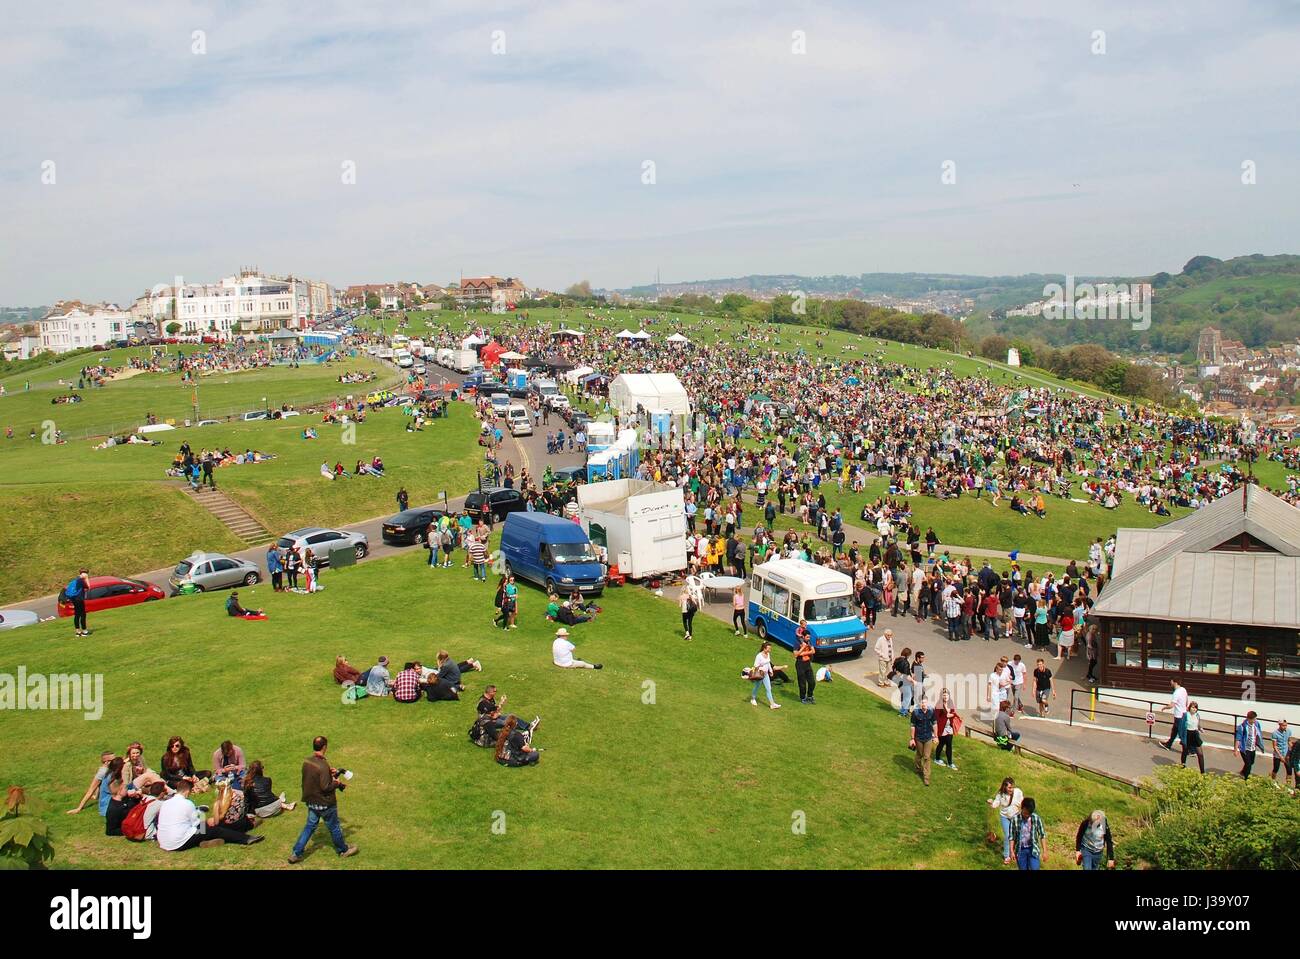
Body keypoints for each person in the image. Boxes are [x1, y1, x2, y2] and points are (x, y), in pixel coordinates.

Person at [288, 736, 358, 863]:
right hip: (325, 804)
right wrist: (336, 783)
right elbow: (326, 787)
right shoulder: (323, 765)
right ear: (324, 747)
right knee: (335, 827)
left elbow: (314, 778)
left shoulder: (307, 761)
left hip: (311, 802)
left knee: (309, 827)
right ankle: (343, 850)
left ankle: (295, 853)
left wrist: (328, 773)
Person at [156, 778, 264, 851]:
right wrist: (205, 818)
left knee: (210, 828)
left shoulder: (165, 803)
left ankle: (205, 841)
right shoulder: (187, 803)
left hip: (164, 842)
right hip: (178, 843)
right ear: (187, 792)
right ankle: (245, 838)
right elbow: (199, 825)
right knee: (214, 828)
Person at [67, 750, 116, 816]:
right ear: (107, 762)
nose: (116, 761)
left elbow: (100, 785)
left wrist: (96, 796)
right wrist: (79, 808)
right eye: (114, 760)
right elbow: (91, 789)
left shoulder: (111, 768)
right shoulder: (102, 773)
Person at [988, 777, 1023, 865]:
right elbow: (996, 803)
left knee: (1018, 835)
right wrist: (991, 803)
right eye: (1009, 788)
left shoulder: (1018, 792)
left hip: (1016, 817)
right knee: (1008, 836)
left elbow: (1022, 801)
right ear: (1004, 787)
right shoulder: (1000, 795)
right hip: (1005, 817)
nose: (1011, 789)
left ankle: (1017, 852)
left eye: (1012, 787)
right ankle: (1007, 855)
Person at [909, 694, 936, 785]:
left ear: (927, 702)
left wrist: (935, 736)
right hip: (918, 738)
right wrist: (912, 739)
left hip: (928, 737)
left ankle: (926, 777)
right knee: (919, 754)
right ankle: (918, 768)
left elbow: (935, 724)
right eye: (921, 702)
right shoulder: (915, 713)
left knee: (927, 757)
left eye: (924, 702)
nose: (923, 704)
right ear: (919, 703)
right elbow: (912, 726)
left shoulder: (932, 711)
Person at [1014, 797, 1047, 871]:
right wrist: (1011, 851)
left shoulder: (1036, 818)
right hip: (1020, 850)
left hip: (1033, 849)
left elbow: (1042, 835)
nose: (1026, 815)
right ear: (1022, 808)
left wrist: (1045, 851)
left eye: (1029, 814)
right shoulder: (1016, 819)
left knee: (1034, 868)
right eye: (1025, 813)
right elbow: (1012, 837)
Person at [748, 640, 782, 710]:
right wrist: (761, 665)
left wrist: (770, 670)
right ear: (764, 648)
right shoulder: (759, 656)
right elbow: (755, 666)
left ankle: (772, 704)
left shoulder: (768, 654)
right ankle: (753, 699)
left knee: (768, 689)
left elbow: (768, 663)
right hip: (760, 674)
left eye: (770, 648)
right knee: (757, 687)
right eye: (769, 648)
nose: (770, 650)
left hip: (766, 674)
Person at [1158, 678, 1188, 752]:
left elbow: (1172, 705)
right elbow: (1187, 700)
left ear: (1175, 682)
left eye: (1171, 681)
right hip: (1183, 714)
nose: (1170, 682)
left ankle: (1190, 750)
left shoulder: (1176, 692)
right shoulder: (1183, 689)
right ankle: (1168, 744)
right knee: (1174, 731)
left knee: (1181, 734)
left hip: (1179, 716)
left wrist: (1164, 707)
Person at [934, 688, 960, 771]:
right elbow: (936, 718)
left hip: (949, 728)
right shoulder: (939, 705)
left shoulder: (950, 703)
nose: (945, 697)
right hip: (942, 728)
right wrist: (946, 716)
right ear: (941, 696)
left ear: (949, 695)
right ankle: (937, 759)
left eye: (947, 695)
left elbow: (953, 712)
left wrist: (951, 715)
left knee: (949, 744)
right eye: (944, 695)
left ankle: (950, 763)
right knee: (941, 743)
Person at [1235, 710, 1265, 779]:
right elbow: (1238, 738)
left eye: (1255, 718)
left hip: (1252, 748)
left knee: (1251, 762)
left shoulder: (1257, 724)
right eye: (1253, 719)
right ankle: (1246, 779)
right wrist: (1236, 750)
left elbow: (1259, 734)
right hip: (1245, 749)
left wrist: (1260, 744)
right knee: (1248, 765)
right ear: (1249, 719)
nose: (1255, 720)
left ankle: (1243, 771)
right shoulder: (1242, 727)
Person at [1180, 701, 1206, 773]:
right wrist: (1181, 737)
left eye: (1196, 708)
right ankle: (1183, 765)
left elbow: (1198, 724)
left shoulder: (1197, 715)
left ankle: (1202, 772)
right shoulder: (1185, 715)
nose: (1194, 709)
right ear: (1189, 708)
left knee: (1200, 754)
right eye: (1193, 707)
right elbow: (1181, 726)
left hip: (1195, 734)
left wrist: (1201, 729)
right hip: (1187, 733)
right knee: (1185, 751)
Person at [794, 622, 817, 704]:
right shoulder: (797, 643)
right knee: (802, 683)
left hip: (807, 664)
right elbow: (795, 655)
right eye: (807, 637)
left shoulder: (810, 642)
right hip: (800, 664)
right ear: (803, 636)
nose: (808, 638)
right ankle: (803, 698)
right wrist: (803, 648)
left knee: (812, 682)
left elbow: (813, 651)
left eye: (809, 637)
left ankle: (810, 696)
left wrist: (804, 653)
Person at [66, 568, 90, 637]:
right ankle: (84, 631)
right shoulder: (81, 581)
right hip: (79, 599)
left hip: (74, 599)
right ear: (85, 574)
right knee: (83, 614)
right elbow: (88, 587)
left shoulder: (75, 580)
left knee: (77, 615)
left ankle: (78, 632)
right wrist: (86, 578)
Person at [892, 646, 914, 716]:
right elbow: (906, 674)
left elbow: (894, 669)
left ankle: (905, 711)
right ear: (907, 655)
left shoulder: (897, 660)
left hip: (899, 681)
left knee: (905, 695)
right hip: (905, 682)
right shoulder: (905, 662)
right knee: (908, 696)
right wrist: (913, 681)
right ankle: (902, 712)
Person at [1270, 718, 1292, 786]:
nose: (1285, 727)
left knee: (1289, 770)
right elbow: (1275, 746)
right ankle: (1273, 782)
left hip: (1286, 754)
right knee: (1276, 769)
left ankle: (1288, 786)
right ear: (1279, 725)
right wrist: (1280, 756)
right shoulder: (1275, 733)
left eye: (1286, 725)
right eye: (1283, 725)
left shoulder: (1288, 731)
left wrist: (1291, 749)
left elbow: (1289, 741)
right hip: (1278, 754)